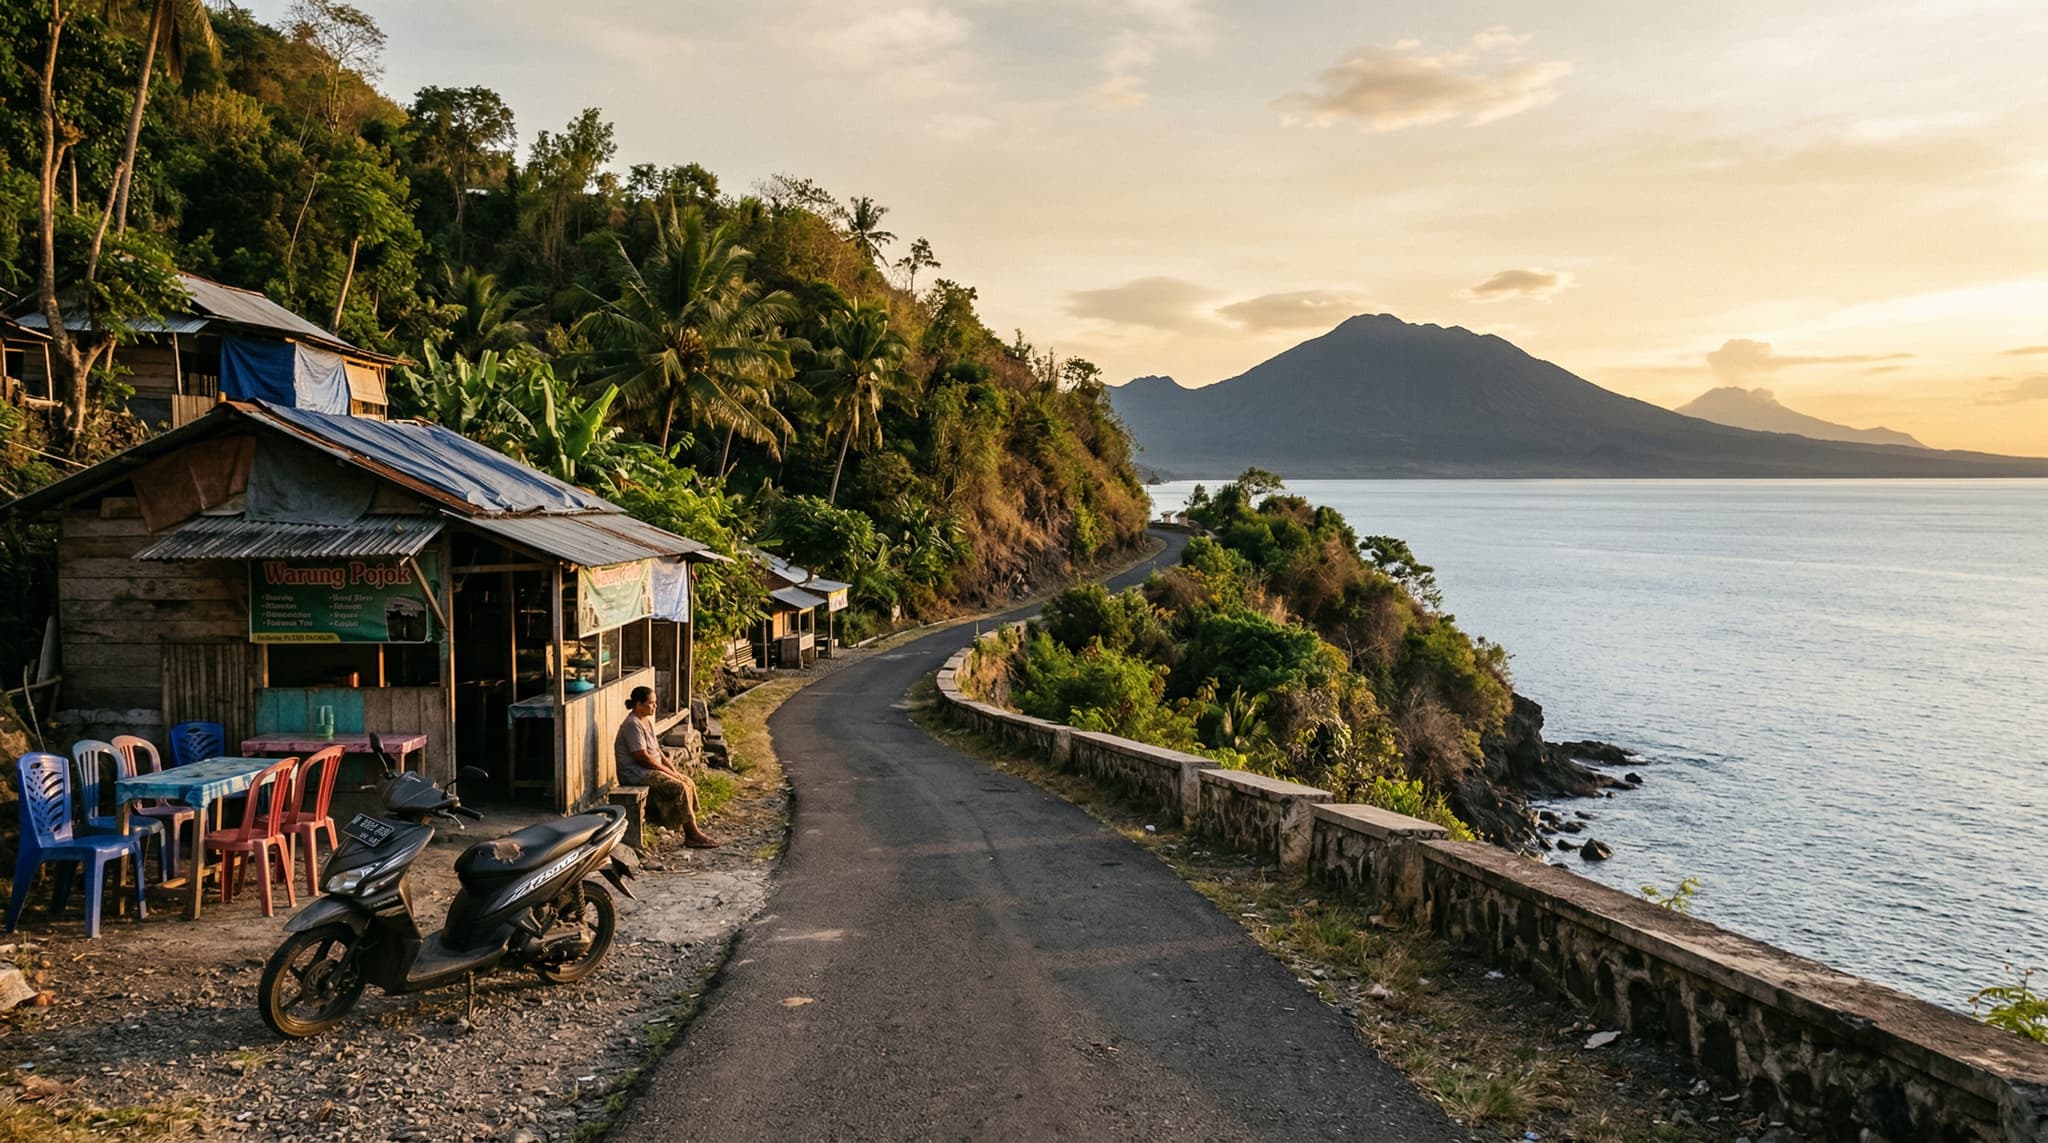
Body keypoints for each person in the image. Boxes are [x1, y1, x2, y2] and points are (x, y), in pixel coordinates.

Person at [614, 686, 720, 848]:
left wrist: (673, 771)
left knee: (687, 781)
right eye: (651, 703)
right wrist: (666, 772)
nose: (655, 706)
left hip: (650, 769)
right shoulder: (632, 724)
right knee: (679, 787)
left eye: (655, 703)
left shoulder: (646, 721)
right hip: (636, 773)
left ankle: (691, 826)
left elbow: (658, 752)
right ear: (639, 704)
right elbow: (641, 757)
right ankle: (691, 834)